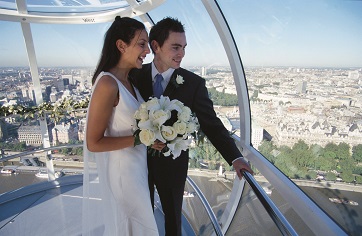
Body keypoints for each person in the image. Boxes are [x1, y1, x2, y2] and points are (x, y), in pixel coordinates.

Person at [130, 17, 254, 236]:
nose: (182, 54)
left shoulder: (194, 83)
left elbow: (212, 124)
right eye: (176, 47)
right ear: (155, 46)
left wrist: (235, 158)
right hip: (136, 160)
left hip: (173, 165)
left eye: (184, 48)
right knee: (140, 215)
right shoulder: (134, 75)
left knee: (173, 220)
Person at [82, 16, 160, 236]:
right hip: (124, 176)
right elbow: (93, 143)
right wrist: (142, 139)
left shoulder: (129, 81)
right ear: (121, 45)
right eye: (141, 44)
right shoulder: (108, 83)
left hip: (137, 170)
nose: (147, 51)